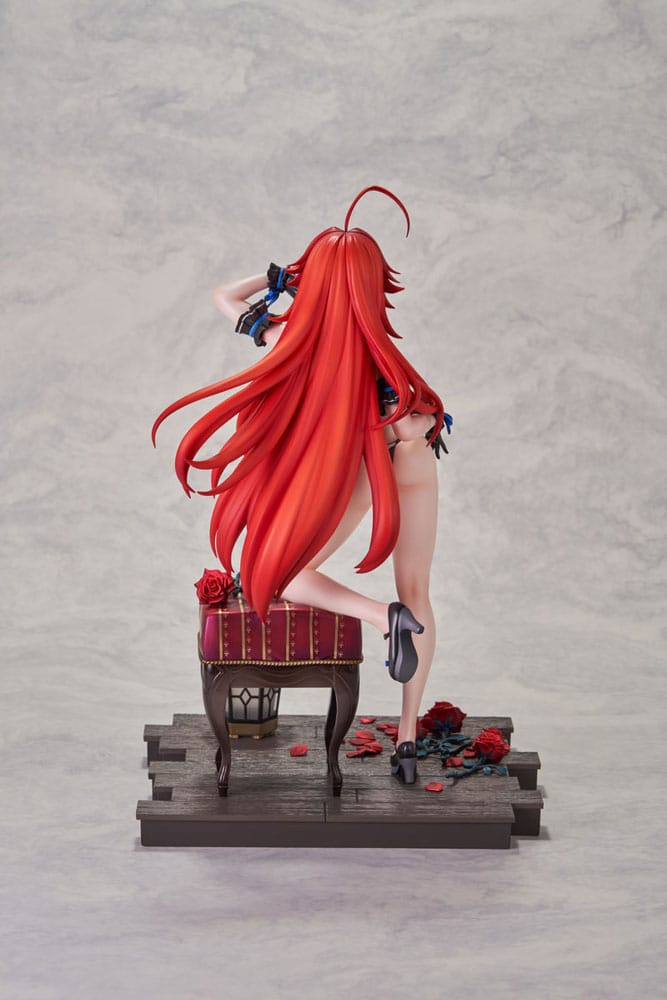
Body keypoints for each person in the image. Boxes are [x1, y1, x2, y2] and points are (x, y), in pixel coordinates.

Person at [152, 186, 452, 783]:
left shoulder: (288, 339)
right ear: (373, 285)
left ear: (315, 282)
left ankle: (381, 616)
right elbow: (417, 421)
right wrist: (414, 429)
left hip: (369, 458)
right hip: (412, 447)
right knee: (419, 586)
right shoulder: (386, 363)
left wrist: (281, 277)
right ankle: (408, 741)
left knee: (288, 574)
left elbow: (223, 296)